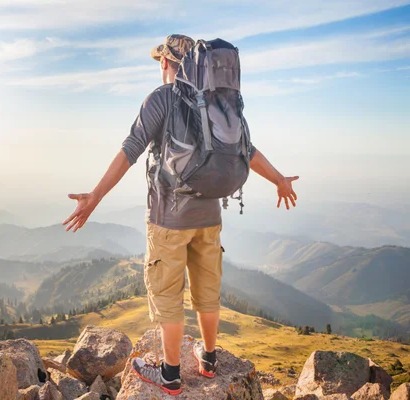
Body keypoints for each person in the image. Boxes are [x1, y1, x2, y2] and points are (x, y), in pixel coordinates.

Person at [63, 34, 299, 396]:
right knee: (208, 290)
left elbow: (131, 150)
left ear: (165, 63)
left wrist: (95, 196)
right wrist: (279, 179)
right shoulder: (220, 104)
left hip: (168, 220)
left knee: (168, 295)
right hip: (210, 218)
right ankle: (208, 360)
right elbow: (246, 150)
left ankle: (170, 375)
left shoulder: (162, 98)